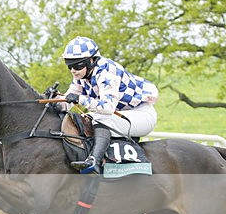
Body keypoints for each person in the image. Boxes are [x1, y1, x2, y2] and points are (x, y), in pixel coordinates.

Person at [62, 36, 159, 174]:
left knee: (100, 119)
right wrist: (52, 98)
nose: (73, 70)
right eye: (69, 66)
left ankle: (94, 162)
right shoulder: (82, 74)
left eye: (77, 65)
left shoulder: (106, 71)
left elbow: (107, 108)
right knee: (85, 120)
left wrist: (80, 99)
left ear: (92, 61)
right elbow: (66, 101)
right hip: (121, 114)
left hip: (142, 114)